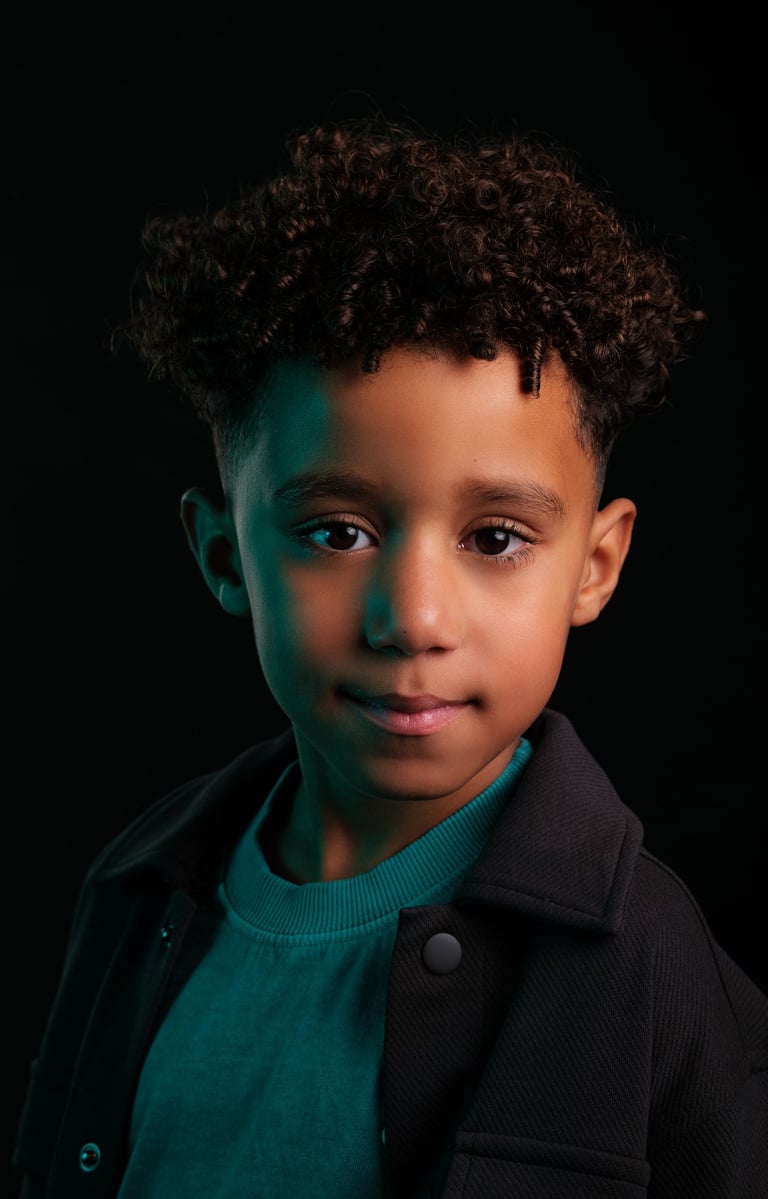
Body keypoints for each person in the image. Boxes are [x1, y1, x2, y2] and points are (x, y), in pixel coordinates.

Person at [13, 115, 767, 1199]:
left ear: (596, 565)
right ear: (226, 554)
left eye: (495, 538)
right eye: (337, 532)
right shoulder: (138, 891)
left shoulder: (649, 967)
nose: (413, 618)